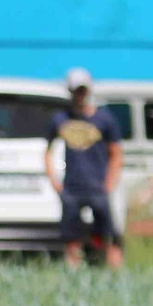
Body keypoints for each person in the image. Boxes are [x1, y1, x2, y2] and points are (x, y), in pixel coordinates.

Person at [45, 68, 125, 269]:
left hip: (98, 185)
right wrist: (54, 181)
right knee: (71, 236)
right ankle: (73, 271)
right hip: (71, 186)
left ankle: (114, 272)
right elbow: (47, 150)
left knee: (108, 233)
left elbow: (116, 152)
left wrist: (110, 182)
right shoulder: (60, 119)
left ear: (88, 91)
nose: (80, 96)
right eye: (76, 91)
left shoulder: (104, 119)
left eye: (83, 91)